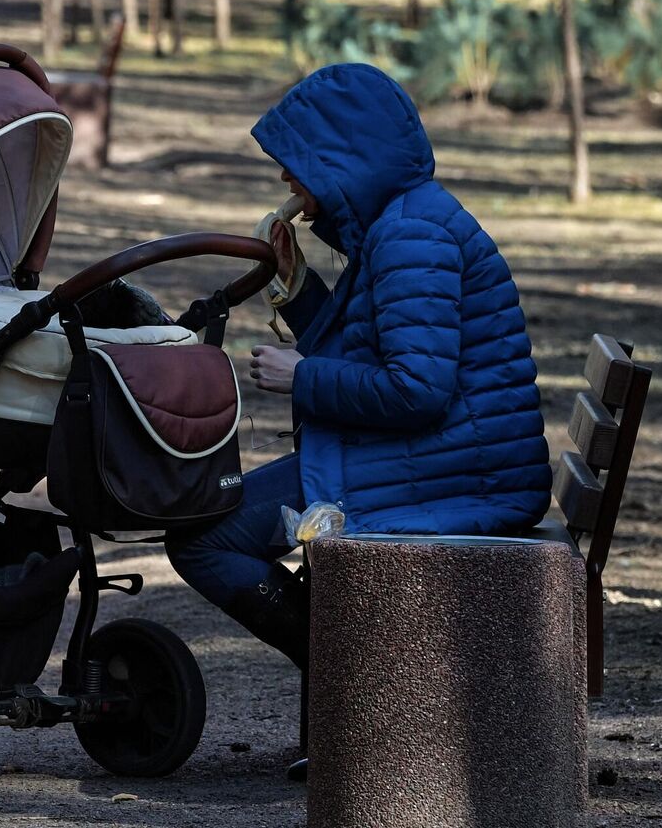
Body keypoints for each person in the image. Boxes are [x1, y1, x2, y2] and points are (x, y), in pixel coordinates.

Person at [166, 63, 551, 688]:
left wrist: (302, 377)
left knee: (204, 542)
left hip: (454, 474)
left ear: (343, 159)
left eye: (297, 159)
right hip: (438, 459)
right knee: (209, 527)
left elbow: (415, 390)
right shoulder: (401, 222)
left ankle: (355, 688)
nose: (285, 176)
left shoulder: (409, 236)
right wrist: (294, 287)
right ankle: (354, 681)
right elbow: (372, 351)